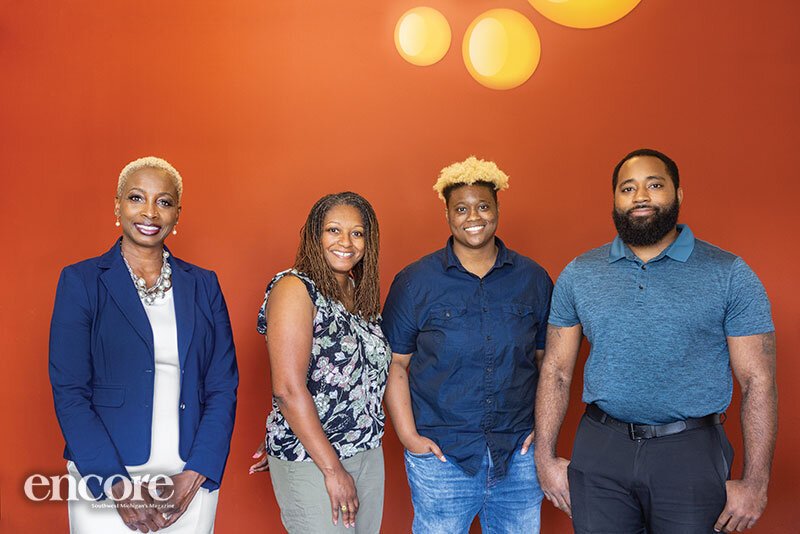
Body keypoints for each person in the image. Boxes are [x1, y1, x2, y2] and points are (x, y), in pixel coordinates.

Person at [534, 148, 777, 534]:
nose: (641, 196)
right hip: (601, 450)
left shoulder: (729, 273)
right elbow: (557, 371)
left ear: (678, 194)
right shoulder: (580, 273)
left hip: (690, 452)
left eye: (655, 185)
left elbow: (758, 381)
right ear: (615, 199)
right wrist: (544, 460)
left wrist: (756, 482)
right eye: (628, 188)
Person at [49, 156, 239, 533]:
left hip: (187, 479)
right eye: (137, 198)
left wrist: (199, 470)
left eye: (164, 202)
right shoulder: (82, 281)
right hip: (106, 475)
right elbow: (69, 391)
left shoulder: (204, 285)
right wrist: (114, 483)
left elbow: (222, 386)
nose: (150, 212)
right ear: (117, 206)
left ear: (177, 215)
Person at [381, 156, 553, 533]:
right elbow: (395, 365)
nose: (472, 216)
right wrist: (410, 438)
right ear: (447, 215)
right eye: (461, 208)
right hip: (442, 459)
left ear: (497, 210)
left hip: (518, 457)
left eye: (482, 206)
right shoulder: (414, 282)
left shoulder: (534, 279)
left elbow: (547, 364)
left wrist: (544, 431)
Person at [249, 192, 390, 533]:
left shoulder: (358, 293)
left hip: (366, 450)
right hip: (315, 458)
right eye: (333, 230)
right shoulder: (294, 288)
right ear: (315, 235)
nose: (346, 242)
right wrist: (332, 470)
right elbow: (287, 389)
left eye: (357, 233)